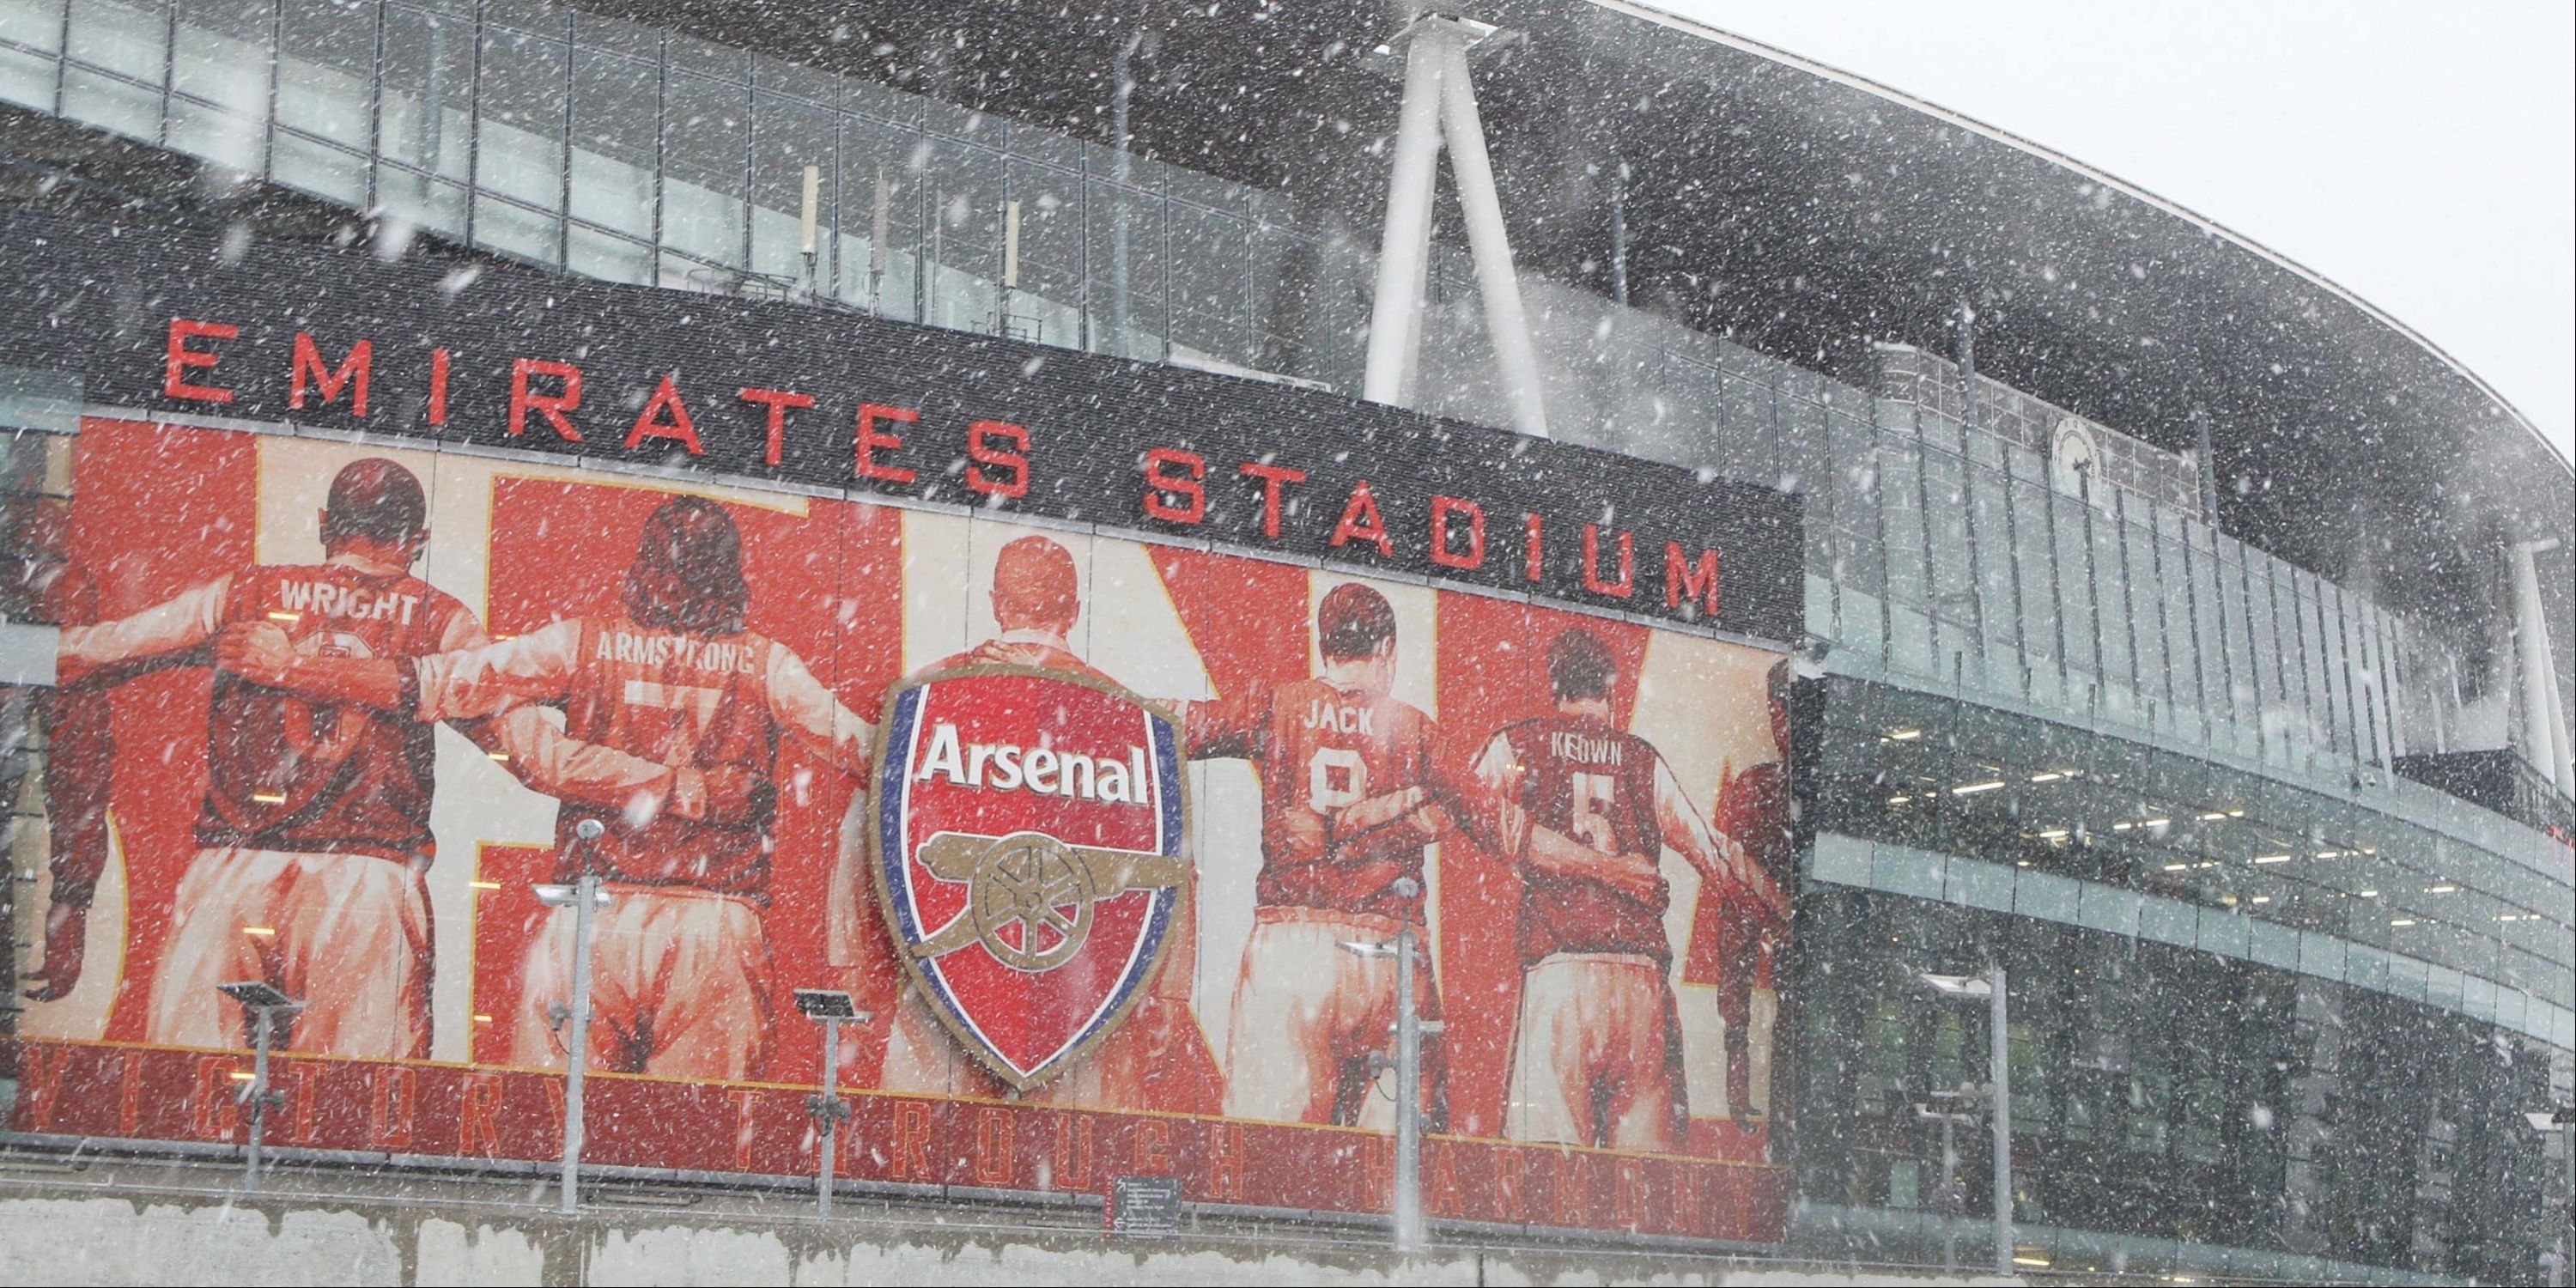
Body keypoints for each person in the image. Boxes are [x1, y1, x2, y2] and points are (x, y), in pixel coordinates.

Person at [234, 494, 872, 1078]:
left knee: (547, 1129)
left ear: (644, 565)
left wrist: (298, 670)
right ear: (732, 573)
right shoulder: (767, 664)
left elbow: (441, 682)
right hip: (715, 918)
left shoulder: (582, 644)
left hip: (590, 915)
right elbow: (863, 748)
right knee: (698, 1141)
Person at [51, 459, 482, 1056]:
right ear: (419, 540)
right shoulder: (444, 618)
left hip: (235, 868)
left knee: (193, 1092)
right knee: (351, 1110)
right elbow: (523, 736)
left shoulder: (245, 594)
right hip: (364, 875)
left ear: (325, 523)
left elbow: (90, 653)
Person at [869, 534, 1221, 1112]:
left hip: (943, 1005)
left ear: (995, 603)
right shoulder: (1127, 715)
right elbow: (1172, 868)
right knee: (1084, 1191)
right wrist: (1171, 998)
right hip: (1092, 1013)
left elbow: (870, 829)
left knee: (917, 1169)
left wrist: (861, 974)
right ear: (1074, 611)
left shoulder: (929, 695)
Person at [1468, 627, 1789, 1151]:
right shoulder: (1641, 758)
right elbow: (1717, 856)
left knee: (1546, 1176)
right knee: (1646, 1179)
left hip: (1560, 973)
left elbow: (1465, 806)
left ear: (1555, 688)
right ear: (1612, 692)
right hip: (1639, 981)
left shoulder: (1519, 743)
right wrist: (1788, 916)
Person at [1174, 581, 1452, 1129]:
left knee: (1271, 1163)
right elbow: (1473, 806)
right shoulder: (1417, 729)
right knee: (1396, 1182)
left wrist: (1329, 832)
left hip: (1294, 945)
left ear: (1324, 646)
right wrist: (1375, 828)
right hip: (1392, 951)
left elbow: (1182, 724)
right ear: (1387, 651)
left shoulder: (1279, 704)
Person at [1684, 657, 1798, 1130]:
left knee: (1782, 1018)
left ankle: (1766, 1106)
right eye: (1779, 713)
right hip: (1761, 916)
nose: (1781, 724)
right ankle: (1746, 1100)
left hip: (1774, 920)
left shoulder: (1770, 783)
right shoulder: (1760, 785)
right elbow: (1736, 870)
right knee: (1748, 1015)